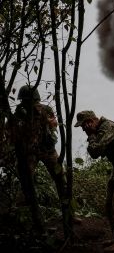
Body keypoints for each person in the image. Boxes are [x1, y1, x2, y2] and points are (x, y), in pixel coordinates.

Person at [75, 110, 114, 252]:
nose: (83, 130)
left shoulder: (107, 127)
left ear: (90, 122)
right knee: (109, 205)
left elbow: (95, 151)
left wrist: (91, 137)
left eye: (84, 126)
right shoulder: (103, 129)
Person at [7, 85, 66, 233]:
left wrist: (49, 122)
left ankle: (68, 213)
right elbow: (10, 130)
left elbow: (53, 125)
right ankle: (22, 213)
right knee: (25, 180)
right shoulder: (19, 113)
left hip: (47, 148)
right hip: (30, 152)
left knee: (61, 178)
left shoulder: (45, 109)